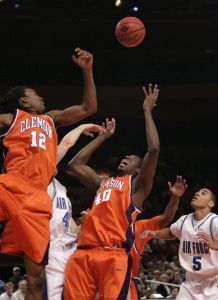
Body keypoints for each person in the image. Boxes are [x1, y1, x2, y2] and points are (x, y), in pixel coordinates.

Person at [0, 47, 97, 300]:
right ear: (23, 101)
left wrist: (87, 71)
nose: (41, 98)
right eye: (35, 95)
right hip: (12, 184)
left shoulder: (51, 120)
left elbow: (88, 107)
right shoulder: (11, 118)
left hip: (37, 198)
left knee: (36, 278)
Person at [64, 84, 160, 299]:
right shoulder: (103, 183)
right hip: (84, 253)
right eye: (125, 156)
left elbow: (153, 149)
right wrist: (102, 137)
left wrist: (147, 111)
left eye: (133, 158)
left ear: (139, 169)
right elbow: (74, 165)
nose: (126, 157)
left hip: (113, 254)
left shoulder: (137, 187)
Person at [45, 123, 103, 300]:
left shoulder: (61, 190)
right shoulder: (40, 180)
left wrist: (87, 219)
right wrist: (82, 126)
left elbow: (72, 230)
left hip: (71, 250)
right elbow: (67, 143)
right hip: (51, 250)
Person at [140, 188, 218, 300]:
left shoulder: (214, 222)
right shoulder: (184, 220)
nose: (197, 193)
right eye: (197, 192)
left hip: (213, 285)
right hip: (190, 285)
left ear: (211, 203)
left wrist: (214, 245)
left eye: (203, 193)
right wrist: (154, 233)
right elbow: (171, 233)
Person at [130, 175, 187, 300]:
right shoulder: (105, 225)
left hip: (126, 280)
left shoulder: (139, 227)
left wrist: (175, 197)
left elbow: (166, 218)